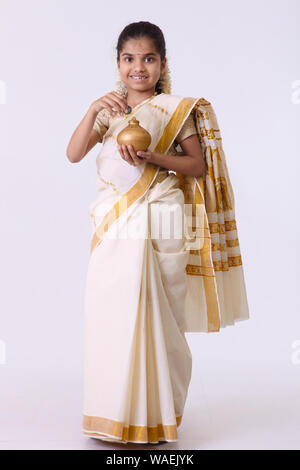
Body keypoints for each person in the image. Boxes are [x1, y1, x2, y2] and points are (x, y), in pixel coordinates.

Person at [66, 21, 250, 446]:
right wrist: (94, 109)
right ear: (118, 63)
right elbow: (74, 153)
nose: (139, 68)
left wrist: (152, 156)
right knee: (113, 308)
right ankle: (113, 414)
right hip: (115, 222)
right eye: (129, 58)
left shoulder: (174, 109)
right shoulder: (109, 111)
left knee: (161, 317)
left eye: (149, 58)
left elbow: (197, 165)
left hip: (165, 218)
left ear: (162, 63)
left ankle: (157, 417)